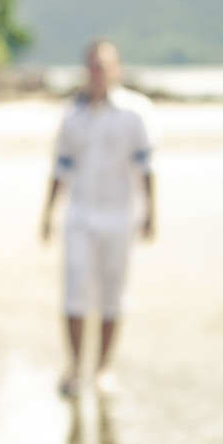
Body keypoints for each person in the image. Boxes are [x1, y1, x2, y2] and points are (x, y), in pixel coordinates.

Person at [39, 38, 156, 398]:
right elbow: (61, 166)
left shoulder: (136, 112)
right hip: (80, 216)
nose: (98, 72)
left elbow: (147, 167)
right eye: (92, 66)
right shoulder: (72, 114)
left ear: (116, 68)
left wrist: (152, 212)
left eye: (104, 66)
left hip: (120, 216)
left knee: (112, 293)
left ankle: (104, 369)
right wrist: (48, 213)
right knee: (75, 292)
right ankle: (75, 368)